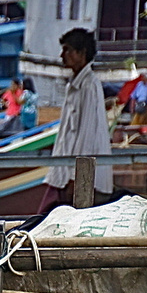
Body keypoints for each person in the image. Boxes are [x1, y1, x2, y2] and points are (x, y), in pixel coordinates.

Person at [38, 28, 112, 213]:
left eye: (68, 50)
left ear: (81, 53)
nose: (63, 55)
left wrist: (76, 179)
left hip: (81, 178)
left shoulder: (89, 86)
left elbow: (87, 137)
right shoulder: (76, 85)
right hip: (65, 174)